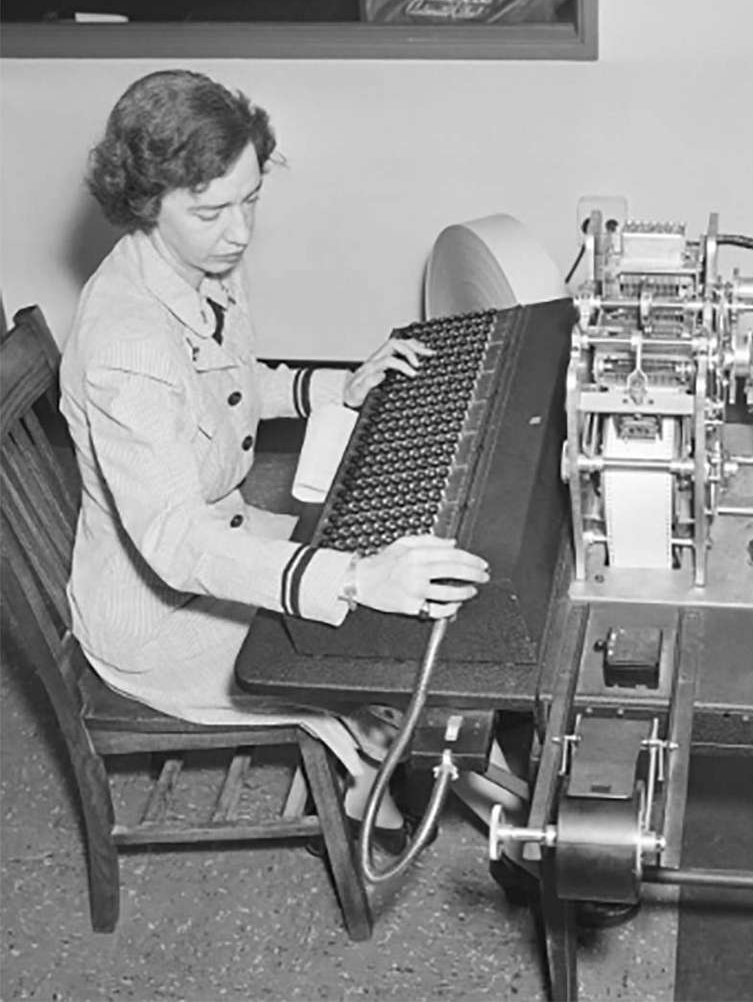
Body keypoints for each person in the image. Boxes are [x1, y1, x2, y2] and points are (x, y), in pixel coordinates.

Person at [59, 70, 490, 848]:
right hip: (159, 611)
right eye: (213, 210)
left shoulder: (196, 261)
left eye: (251, 199)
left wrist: (336, 385)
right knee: (363, 627)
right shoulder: (126, 345)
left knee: (389, 584)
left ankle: (402, 761)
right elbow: (179, 546)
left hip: (227, 531)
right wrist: (355, 578)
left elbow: (226, 382)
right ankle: (395, 775)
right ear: (145, 201)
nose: (240, 231)